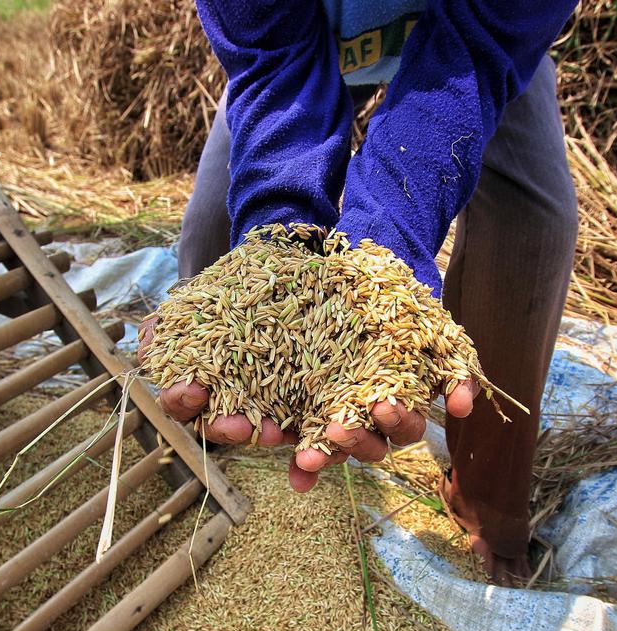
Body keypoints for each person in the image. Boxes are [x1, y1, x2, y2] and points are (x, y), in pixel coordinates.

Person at [148, 1, 580, 586]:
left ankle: (487, 494)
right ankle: (194, 438)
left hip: (475, 42)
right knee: (211, 238)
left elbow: (485, 41)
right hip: (289, 42)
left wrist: (383, 252)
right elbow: (271, 54)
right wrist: (278, 232)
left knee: (535, 230)